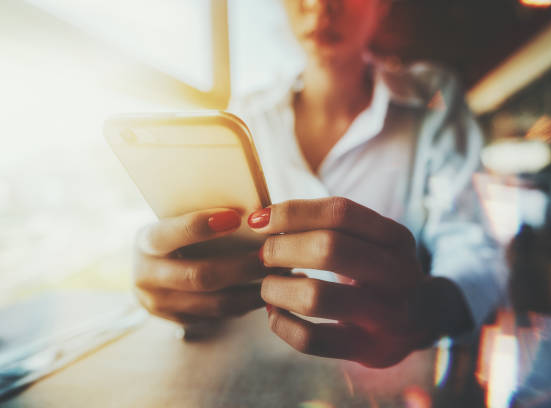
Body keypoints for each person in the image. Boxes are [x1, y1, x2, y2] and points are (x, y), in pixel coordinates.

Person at [132, 0, 506, 368]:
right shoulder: (246, 117)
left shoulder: (433, 100)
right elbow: (205, 247)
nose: (320, 6)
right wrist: (180, 274)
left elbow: (473, 245)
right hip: (263, 364)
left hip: (393, 377)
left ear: (383, 5)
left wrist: (425, 310)